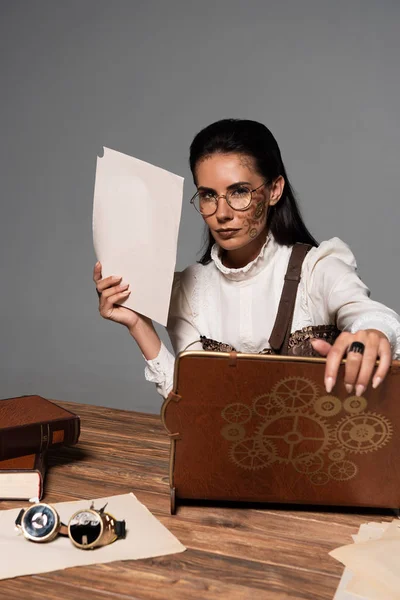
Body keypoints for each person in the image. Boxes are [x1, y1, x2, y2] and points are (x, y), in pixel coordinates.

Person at [93, 119, 400, 400]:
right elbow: (195, 407)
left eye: (239, 191)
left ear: (274, 190)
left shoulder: (318, 268)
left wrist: (369, 334)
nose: (222, 213)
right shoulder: (191, 291)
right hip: (233, 460)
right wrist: (138, 324)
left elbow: (370, 314)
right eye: (209, 195)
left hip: (324, 458)